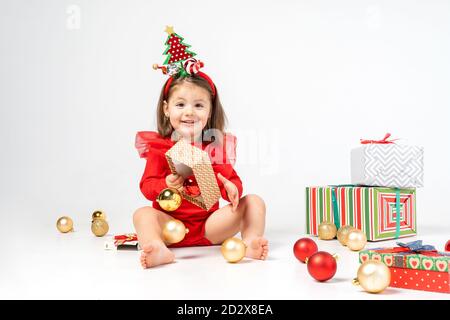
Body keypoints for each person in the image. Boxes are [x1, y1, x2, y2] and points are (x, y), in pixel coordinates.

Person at [133, 27, 267, 268]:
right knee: (142, 215)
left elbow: (233, 181)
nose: (189, 112)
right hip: (171, 225)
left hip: (210, 226)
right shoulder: (159, 148)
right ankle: (159, 249)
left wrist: (231, 188)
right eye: (180, 104)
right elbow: (147, 184)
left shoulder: (215, 146)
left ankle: (251, 241)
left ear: (210, 111)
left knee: (254, 201)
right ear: (166, 109)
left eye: (198, 105)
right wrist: (165, 185)